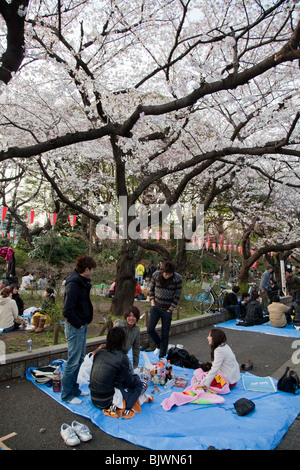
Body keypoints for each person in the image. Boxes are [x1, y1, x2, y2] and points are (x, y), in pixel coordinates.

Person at [61, 254, 97, 405]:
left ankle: (74, 389)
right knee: (73, 361)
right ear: (87, 269)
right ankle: (67, 394)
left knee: (80, 358)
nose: (93, 272)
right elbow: (67, 310)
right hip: (75, 327)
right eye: (93, 269)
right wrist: (79, 324)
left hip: (82, 324)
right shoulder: (74, 284)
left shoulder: (82, 281)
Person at [89, 327, 147, 418]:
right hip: (106, 401)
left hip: (93, 397)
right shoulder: (121, 357)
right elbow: (130, 382)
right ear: (122, 341)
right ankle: (128, 403)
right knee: (139, 383)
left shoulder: (99, 352)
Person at [147, 261, 182, 359]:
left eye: (170, 274)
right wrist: (152, 302)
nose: (167, 276)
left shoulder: (177, 278)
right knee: (150, 329)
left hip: (167, 309)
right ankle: (159, 345)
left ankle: (162, 355)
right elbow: (151, 289)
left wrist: (171, 307)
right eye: (166, 274)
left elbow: (178, 294)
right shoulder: (156, 275)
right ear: (163, 271)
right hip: (156, 307)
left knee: (165, 333)